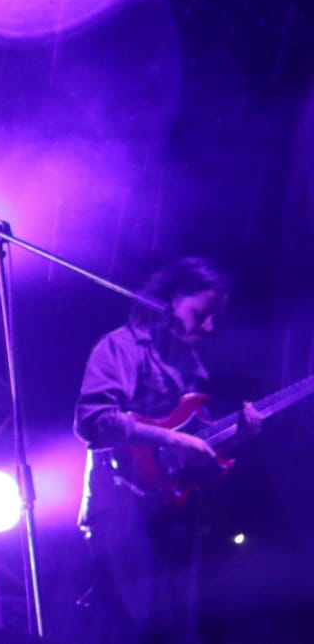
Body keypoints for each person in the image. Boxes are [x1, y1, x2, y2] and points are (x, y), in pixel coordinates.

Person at [73, 257, 262, 642]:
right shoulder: (120, 348)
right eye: (200, 314)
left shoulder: (189, 365)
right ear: (170, 299)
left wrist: (236, 439)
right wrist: (172, 439)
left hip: (171, 515)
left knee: (174, 630)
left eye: (214, 318)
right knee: (129, 627)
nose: (208, 327)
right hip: (121, 511)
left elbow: (193, 455)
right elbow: (92, 421)